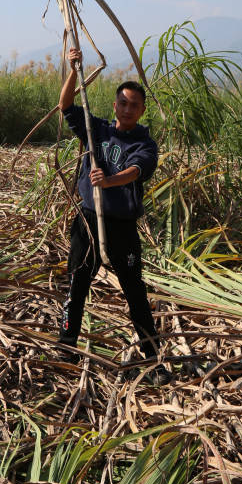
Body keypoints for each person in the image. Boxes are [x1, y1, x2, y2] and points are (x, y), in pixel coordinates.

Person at [57, 47, 171, 386]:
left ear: (142, 110)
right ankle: (67, 348)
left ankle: (153, 360)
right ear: (115, 105)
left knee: (135, 292)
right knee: (77, 284)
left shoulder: (145, 142)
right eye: (123, 103)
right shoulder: (99, 129)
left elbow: (137, 170)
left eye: (135, 105)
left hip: (122, 227)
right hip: (89, 222)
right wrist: (74, 71)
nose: (128, 108)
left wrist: (109, 180)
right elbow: (65, 107)